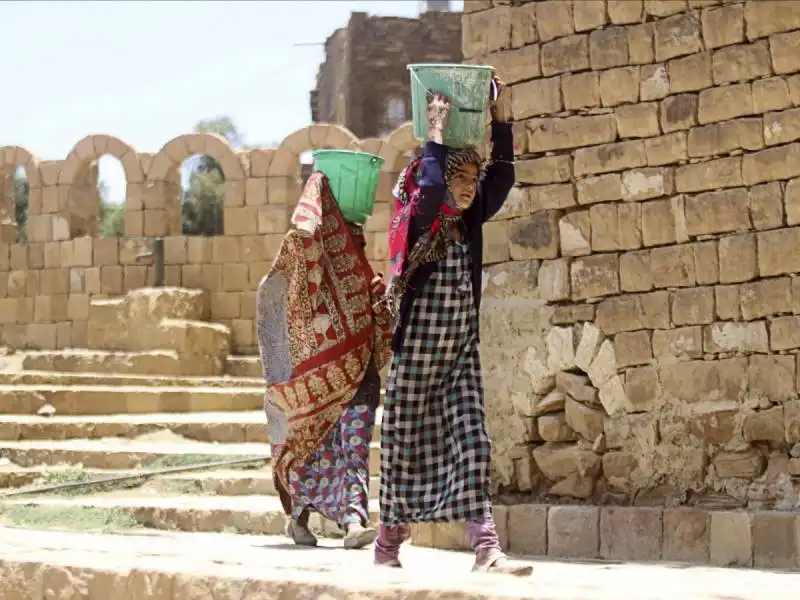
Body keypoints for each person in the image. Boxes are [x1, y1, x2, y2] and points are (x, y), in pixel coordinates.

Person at [375, 74, 533, 576]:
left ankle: (487, 549)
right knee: (404, 449)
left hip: (459, 354)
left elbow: (502, 176)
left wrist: (499, 115)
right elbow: (431, 188)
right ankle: (387, 545)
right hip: (417, 359)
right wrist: (436, 135)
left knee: (472, 442)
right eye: (459, 180)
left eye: (470, 181)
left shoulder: (470, 220)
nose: (466, 191)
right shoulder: (422, 218)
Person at [256, 170, 393, 550]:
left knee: (355, 450)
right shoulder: (305, 287)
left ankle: (353, 523)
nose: (356, 250)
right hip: (313, 389)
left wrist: (381, 306)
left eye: (359, 242)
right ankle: (299, 519)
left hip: (361, 383)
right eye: (350, 242)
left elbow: (383, 337)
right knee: (312, 453)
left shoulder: (369, 282)